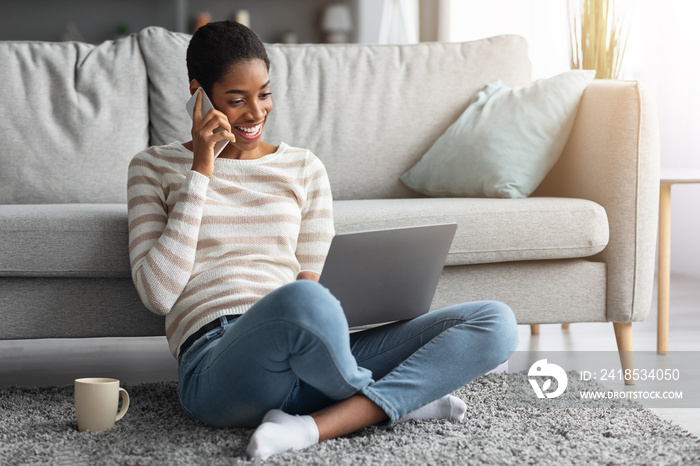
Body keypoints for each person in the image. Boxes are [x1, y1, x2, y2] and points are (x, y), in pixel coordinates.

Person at [127, 20, 519, 460]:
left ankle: (307, 428)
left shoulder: (304, 168)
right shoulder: (153, 167)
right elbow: (158, 295)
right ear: (199, 94)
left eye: (264, 94)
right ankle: (396, 400)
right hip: (218, 364)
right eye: (236, 100)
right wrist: (200, 171)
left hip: (317, 353)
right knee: (300, 302)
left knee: (496, 322)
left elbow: (313, 282)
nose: (255, 113)